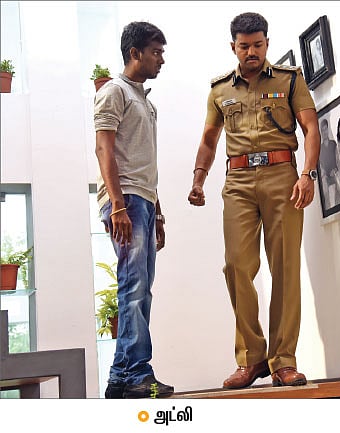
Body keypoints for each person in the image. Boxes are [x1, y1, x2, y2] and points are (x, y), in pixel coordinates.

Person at [188, 12, 320, 389]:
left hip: (283, 176)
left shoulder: (289, 80)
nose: (252, 52)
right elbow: (209, 139)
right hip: (238, 180)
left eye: (258, 45)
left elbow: (311, 127)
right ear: (233, 46)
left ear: (266, 43)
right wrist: (198, 179)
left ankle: (283, 360)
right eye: (245, 46)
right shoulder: (219, 90)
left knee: (285, 268)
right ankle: (251, 358)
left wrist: (307, 174)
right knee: (236, 266)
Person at [94, 21, 174, 399]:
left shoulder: (147, 102)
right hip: (124, 200)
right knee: (134, 286)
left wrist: (158, 212)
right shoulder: (114, 91)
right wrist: (117, 206)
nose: (161, 60)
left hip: (143, 201)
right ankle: (136, 373)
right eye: (156, 53)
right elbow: (103, 149)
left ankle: (120, 378)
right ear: (134, 53)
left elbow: (146, 162)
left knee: (141, 289)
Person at [319, 118, 340, 208]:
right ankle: (329, 209)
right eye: (322, 130)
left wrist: (336, 169)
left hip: (334, 172)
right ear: (321, 132)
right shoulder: (320, 149)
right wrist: (325, 174)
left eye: (325, 129)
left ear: (328, 129)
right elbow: (321, 166)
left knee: (339, 181)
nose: (324, 132)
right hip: (326, 176)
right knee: (324, 185)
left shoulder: (333, 144)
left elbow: (337, 159)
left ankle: (337, 206)